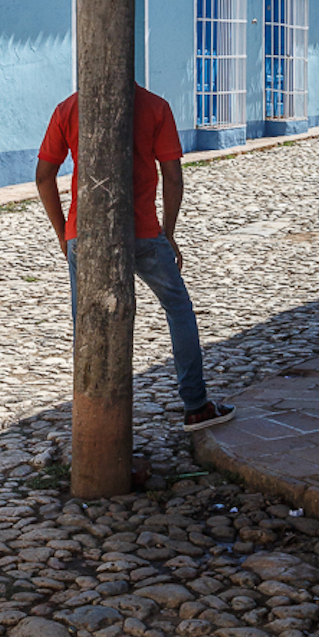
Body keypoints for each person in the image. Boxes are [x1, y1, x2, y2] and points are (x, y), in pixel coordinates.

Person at [35, 83, 235, 432]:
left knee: (84, 321)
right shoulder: (155, 107)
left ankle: (91, 418)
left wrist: (63, 233)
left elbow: (43, 176)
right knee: (178, 309)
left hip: (84, 233)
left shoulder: (68, 109)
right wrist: (169, 233)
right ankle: (195, 404)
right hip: (141, 231)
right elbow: (172, 175)